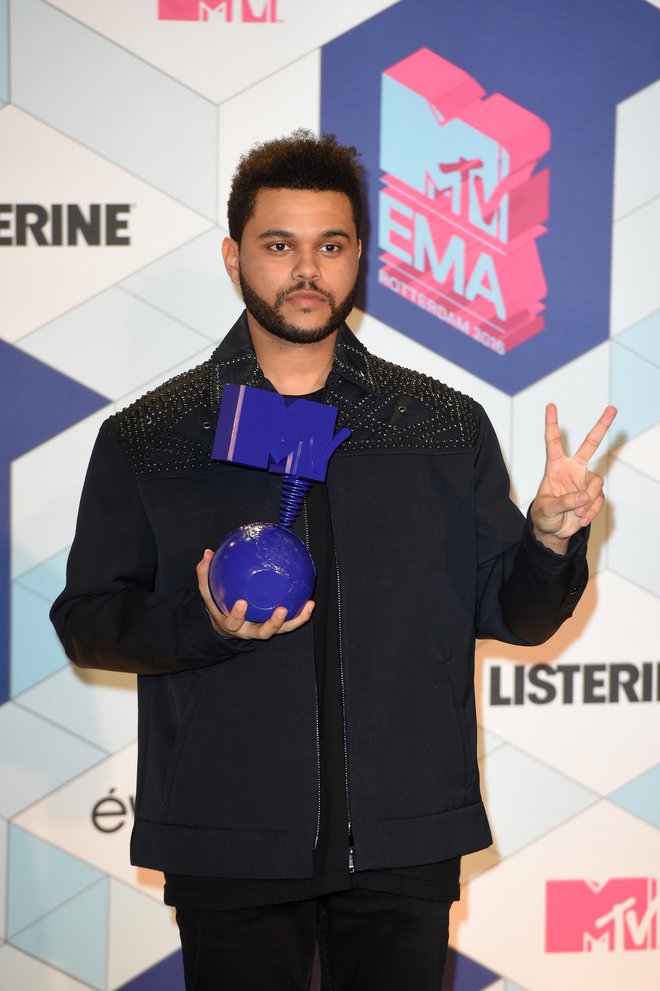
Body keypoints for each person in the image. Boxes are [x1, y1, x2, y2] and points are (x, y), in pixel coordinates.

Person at [51, 130, 616, 991]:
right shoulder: (153, 438)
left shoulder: (438, 425)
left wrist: (547, 538)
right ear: (235, 257)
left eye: (331, 245)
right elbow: (90, 619)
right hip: (227, 836)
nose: (306, 269)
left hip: (403, 839)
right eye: (280, 245)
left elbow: (518, 613)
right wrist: (200, 621)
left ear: (359, 258)